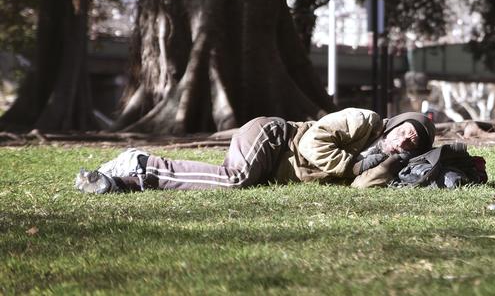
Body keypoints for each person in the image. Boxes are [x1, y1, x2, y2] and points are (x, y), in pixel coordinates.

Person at [75, 108, 435, 194]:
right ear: (393, 124)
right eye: (404, 131)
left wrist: (390, 165)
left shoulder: (388, 152)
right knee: (234, 179)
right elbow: (312, 142)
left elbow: (360, 188)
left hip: (272, 166)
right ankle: (143, 164)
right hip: (273, 136)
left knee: (223, 178)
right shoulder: (364, 120)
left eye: (412, 143)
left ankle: (122, 180)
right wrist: (353, 163)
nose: (404, 140)